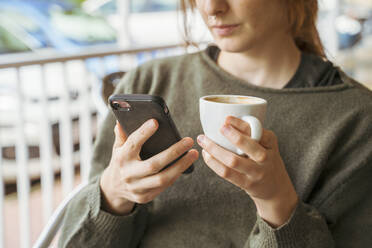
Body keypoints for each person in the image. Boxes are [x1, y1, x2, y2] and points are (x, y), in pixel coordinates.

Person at [59, 0, 372, 247]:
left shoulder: (356, 117)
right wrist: (112, 197)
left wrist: (277, 203)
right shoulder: (150, 81)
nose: (211, 7)